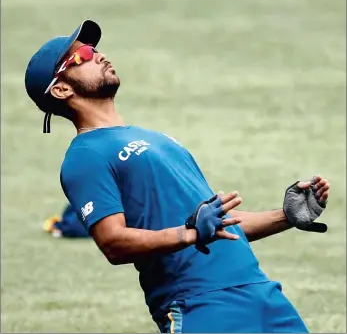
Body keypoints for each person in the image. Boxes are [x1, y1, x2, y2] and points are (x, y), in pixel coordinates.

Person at [25, 20, 330, 333]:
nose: (98, 55)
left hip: (261, 293)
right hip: (199, 305)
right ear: (61, 89)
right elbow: (113, 243)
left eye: (95, 49)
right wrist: (189, 233)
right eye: (83, 55)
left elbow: (214, 224)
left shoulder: (157, 138)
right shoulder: (85, 156)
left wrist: (286, 217)